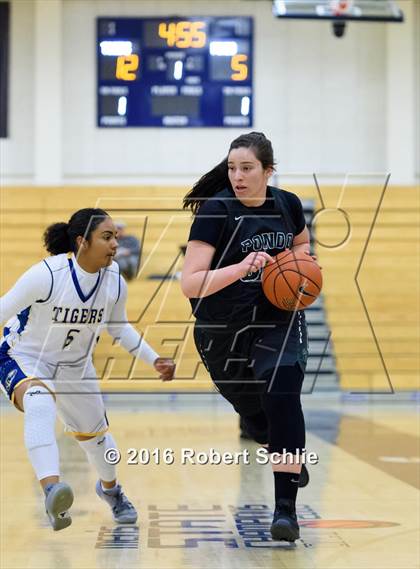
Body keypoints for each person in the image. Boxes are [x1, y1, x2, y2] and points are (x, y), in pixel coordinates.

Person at [0, 208, 175, 531]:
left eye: (116, 238)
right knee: (39, 401)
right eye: (107, 237)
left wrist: (154, 359)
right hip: (26, 356)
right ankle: (53, 491)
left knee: (99, 445)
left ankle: (111, 491)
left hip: (76, 368)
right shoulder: (47, 274)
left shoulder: (114, 282)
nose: (115, 245)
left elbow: (120, 329)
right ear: (82, 242)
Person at [181, 132, 317, 542]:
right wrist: (242, 268)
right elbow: (191, 284)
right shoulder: (215, 212)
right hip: (223, 329)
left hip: (278, 318)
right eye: (232, 168)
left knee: (282, 397)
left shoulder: (288, 205)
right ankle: (281, 446)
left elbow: (303, 246)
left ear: (268, 171)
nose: (237, 176)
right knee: (258, 418)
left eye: (247, 168)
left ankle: (285, 512)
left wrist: (300, 267)